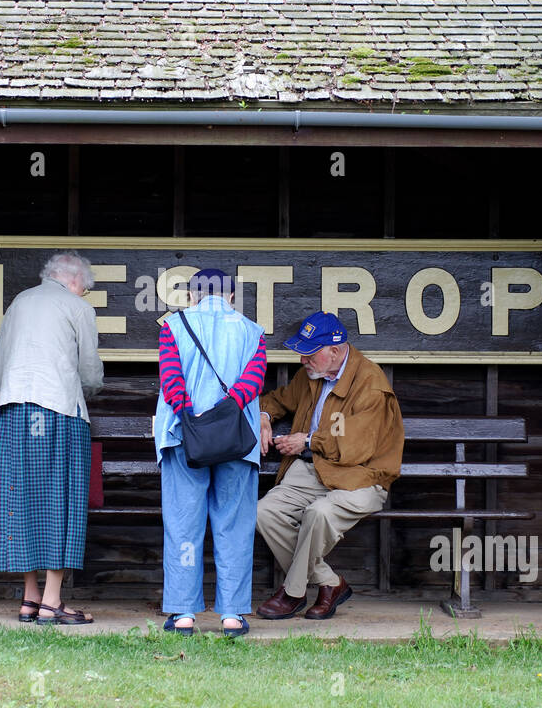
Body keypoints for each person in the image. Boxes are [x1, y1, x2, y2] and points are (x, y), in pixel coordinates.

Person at [255, 311, 404, 621]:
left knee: (318, 514)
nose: (302, 361)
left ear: (335, 351)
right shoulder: (310, 375)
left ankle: (292, 593)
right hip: (314, 471)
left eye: (309, 354)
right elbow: (276, 400)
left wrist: (308, 441)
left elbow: (357, 448)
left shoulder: (371, 384)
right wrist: (264, 417)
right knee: (263, 512)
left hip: (362, 477)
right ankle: (330, 583)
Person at [0, 251, 104, 624]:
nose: (84, 293)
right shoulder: (77, 308)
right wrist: (89, 389)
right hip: (58, 411)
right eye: (85, 287)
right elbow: (89, 371)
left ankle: (29, 598)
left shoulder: (20, 301)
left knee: (22, 499)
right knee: (59, 501)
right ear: (74, 280)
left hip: (15, 410)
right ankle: (52, 601)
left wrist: (12, 391)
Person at [154, 268, 267, 636]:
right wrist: (224, 411)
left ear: (191, 296)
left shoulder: (173, 326)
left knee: (183, 524)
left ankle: (184, 614)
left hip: (185, 438)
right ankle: (232, 615)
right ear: (232, 297)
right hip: (235, 439)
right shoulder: (253, 332)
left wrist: (192, 415)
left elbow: (171, 380)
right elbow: (254, 381)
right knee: (234, 526)